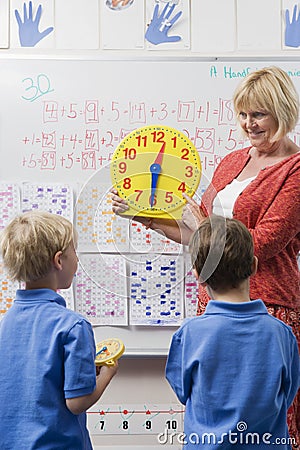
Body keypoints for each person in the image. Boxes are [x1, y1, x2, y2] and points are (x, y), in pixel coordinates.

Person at [111, 66, 300, 442]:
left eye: (259, 113)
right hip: (213, 304)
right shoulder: (232, 162)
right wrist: (145, 217)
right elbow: (200, 236)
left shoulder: (295, 170)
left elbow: (255, 245)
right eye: (243, 114)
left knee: (269, 420)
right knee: (211, 413)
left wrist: (202, 228)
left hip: (267, 308)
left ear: (282, 111)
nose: (249, 124)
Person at [165, 215, 299, 449]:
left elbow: (182, 391)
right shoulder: (282, 334)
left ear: (198, 275)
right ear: (254, 265)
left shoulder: (190, 333)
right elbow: (288, 394)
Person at [0, 211, 118, 450]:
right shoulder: (74, 326)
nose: (77, 258)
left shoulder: (6, 322)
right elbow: (77, 402)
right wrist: (107, 373)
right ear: (59, 260)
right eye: (74, 250)